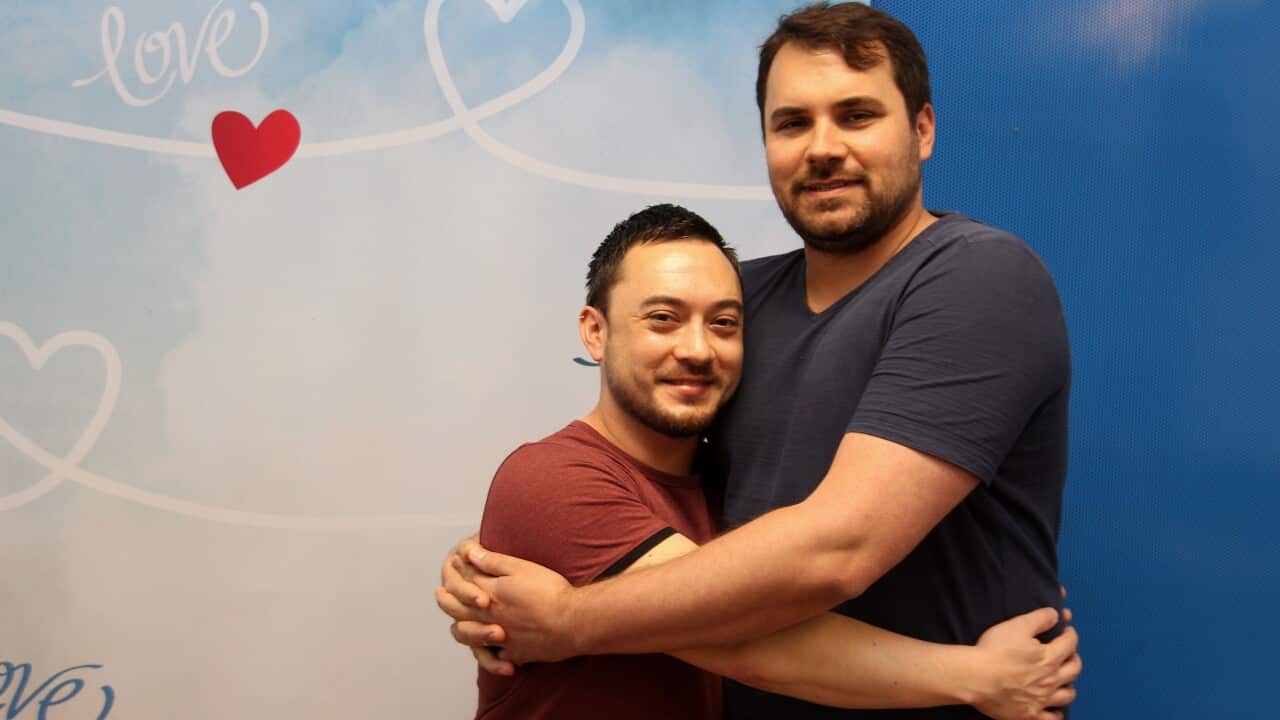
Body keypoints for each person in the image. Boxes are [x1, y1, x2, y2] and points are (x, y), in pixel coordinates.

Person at [442, 3, 1078, 719]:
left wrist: (566, 618)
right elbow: (642, 500)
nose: (823, 147)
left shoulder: (978, 280)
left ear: (922, 130)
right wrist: (518, 545)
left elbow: (836, 550)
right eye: (792, 123)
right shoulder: (737, 303)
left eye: (857, 115)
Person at [461, 203, 1077, 720]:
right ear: (596, 333)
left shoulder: (717, 487)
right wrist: (978, 676)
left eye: (723, 323)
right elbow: (745, 638)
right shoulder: (549, 480)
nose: (696, 349)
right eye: (663, 319)